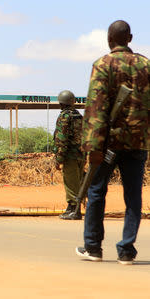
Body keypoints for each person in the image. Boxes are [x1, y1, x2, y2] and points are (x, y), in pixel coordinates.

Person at [76, 20, 149, 265]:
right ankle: (126, 250)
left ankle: (93, 248)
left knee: (96, 192)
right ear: (129, 38)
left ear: (109, 40)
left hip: (108, 143)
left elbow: (95, 109)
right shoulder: (146, 65)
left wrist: (92, 147)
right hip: (138, 142)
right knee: (133, 196)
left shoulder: (102, 65)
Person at [53, 90, 85, 220]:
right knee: (77, 182)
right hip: (81, 155)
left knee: (71, 183)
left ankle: (74, 210)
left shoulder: (64, 117)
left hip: (70, 156)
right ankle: (71, 208)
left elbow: (62, 139)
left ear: (61, 103)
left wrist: (59, 158)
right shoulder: (79, 116)